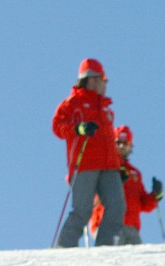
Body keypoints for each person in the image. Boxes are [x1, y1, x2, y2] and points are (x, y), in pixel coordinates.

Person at [51, 58, 125, 247]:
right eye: (104, 78)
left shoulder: (105, 107)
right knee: (82, 211)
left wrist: (119, 166)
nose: (106, 83)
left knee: (117, 206)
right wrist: (79, 129)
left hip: (109, 166)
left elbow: (109, 140)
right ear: (91, 79)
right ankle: (64, 246)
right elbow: (57, 126)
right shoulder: (72, 103)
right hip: (85, 164)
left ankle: (106, 246)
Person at [89, 125, 163, 245]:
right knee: (112, 259)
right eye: (118, 142)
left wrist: (156, 195)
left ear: (130, 146)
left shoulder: (135, 173)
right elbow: (92, 192)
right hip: (107, 224)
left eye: (125, 142)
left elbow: (144, 204)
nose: (122, 146)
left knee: (138, 261)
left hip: (131, 227)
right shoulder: (103, 165)